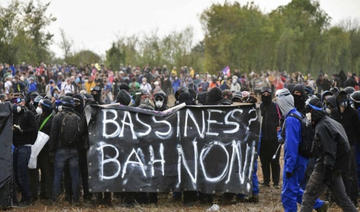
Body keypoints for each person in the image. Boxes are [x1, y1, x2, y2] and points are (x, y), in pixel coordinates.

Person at [300, 97, 356, 212]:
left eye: (308, 111)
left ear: (314, 111)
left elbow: (329, 152)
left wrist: (326, 174)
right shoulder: (331, 122)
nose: (307, 114)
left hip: (325, 167)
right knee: (342, 199)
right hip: (335, 167)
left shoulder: (322, 127)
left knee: (308, 197)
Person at [275, 88, 326, 212]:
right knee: (295, 189)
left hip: (295, 161)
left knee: (288, 194)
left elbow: (292, 145)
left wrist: (289, 168)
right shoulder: (297, 114)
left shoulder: (291, 119)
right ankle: (319, 205)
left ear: (283, 103)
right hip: (301, 160)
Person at [50, 96, 82, 204]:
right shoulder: (77, 117)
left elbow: (53, 135)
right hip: (74, 151)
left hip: (60, 150)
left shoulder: (57, 117)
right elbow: (80, 135)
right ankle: (76, 199)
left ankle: (55, 199)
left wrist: (51, 151)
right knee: (75, 176)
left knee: (57, 175)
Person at [336, 91, 360, 206]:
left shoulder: (353, 113)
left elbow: (357, 131)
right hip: (338, 146)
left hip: (350, 145)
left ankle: (353, 198)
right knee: (340, 172)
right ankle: (341, 197)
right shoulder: (335, 113)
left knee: (351, 172)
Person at [12, 97, 37, 206]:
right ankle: (23, 196)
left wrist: (22, 131)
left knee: (22, 173)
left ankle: (27, 198)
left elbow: (34, 129)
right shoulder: (14, 115)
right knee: (17, 174)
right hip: (16, 146)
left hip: (25, 146)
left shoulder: (29, 114)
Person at [259, 87, 280, 188]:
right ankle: (266, 181)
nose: (266, 96)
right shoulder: (260, 107)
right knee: (264, 161)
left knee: (275, 161)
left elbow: (281, 120)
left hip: (274, 139)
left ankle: (276, 182)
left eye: (268, 94)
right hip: (262, 139)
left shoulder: (276, 106)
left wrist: (279, 133)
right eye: (264, 94)